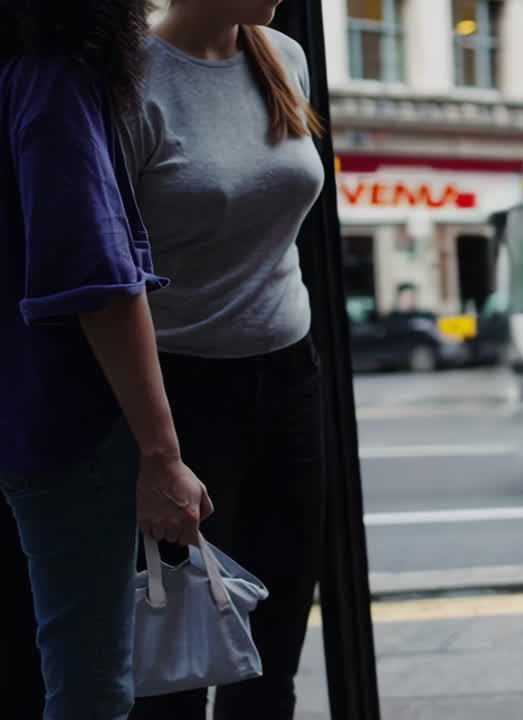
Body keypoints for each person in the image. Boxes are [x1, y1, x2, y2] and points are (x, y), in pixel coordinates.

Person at [0, 1, 213, 718]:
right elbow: (98, 284)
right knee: (91, 681)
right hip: (67, 424)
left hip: (17, 415)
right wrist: (161, 454)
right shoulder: (51, 79)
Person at [118, 1, 327, 718]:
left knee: (271, 658)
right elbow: (106, 282)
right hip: (182, 394)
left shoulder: (282, 56)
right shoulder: (129, 78)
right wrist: (156, 453)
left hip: (290, 378)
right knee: (177, 665)